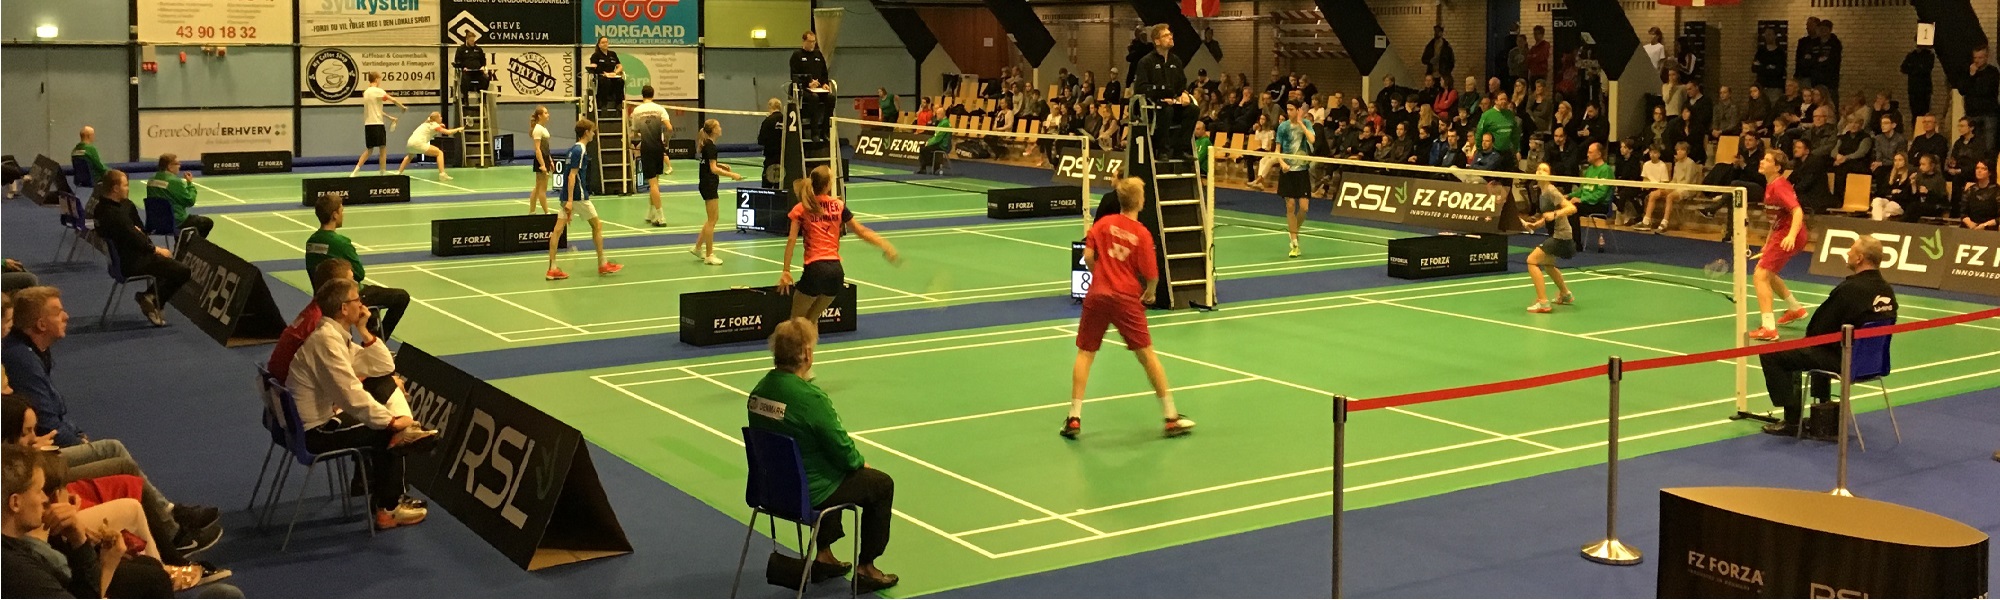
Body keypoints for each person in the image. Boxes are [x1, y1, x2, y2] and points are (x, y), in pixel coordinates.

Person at [745, 318, 899, 592]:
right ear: (806, 353)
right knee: (880, 484)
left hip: (770, 490)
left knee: (822, 466)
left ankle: (825, 556)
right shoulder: (810, 399)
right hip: (806, 494)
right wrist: (859, 463)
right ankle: (866, 568)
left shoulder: (758, 393)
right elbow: (841, 448)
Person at [289, 277, 439, 530]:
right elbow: (350, 396)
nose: (362, 305)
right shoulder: (327, 341)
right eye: (357, 300)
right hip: (315, 432)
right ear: (343, 308)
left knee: (383, 384)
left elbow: (383, 367)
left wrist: (365, 332)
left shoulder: (335, 336)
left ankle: (404, 442)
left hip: (317, 420)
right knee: (388, 434)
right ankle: (389, 509)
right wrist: (391, 422)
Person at [1064, 177, 1195, 440]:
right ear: (1140, 201)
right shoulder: (1141, 234)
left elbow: (1087, 257)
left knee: (1086, 353)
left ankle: (1074, 418)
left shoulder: (1102, 224)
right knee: (1147, 355)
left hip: (1098, 296)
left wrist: (1100, 275)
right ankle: (1171, 417)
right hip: (1126, 299)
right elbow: (1152, 275)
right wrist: (1150, 292)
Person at [1756, 235, 1898, 436]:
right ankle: (1822, 408)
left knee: (1774, 353)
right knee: (1819, 348)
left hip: (1845, 361)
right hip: (1873, 363)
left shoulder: (1850, 289)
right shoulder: (1887, 290)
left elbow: (1818, 329)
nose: (1847, 253)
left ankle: (1792, 422)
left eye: (1851, 250)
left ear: (1859, 258)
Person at [3, 444, 132, 599]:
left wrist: (79, 539)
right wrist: (108, 566)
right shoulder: (21, 572)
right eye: (39, 491)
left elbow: (86, 594)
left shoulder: (16, 551)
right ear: (15, 503)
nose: (45, 499)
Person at [778, 166, 898, 321]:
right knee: (812, 319)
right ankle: (810, 338)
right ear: (828, 185)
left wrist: (786, 270)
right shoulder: (839, 206)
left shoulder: (802, 208)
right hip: (836, 273)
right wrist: (885, 244)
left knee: (797, 321)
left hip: (815, 269)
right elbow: (861, 231)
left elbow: (792, 240)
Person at [91, 171, 190, 327]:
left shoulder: (104, 208)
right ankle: (152, 299)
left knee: (167, 265)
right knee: (183, 271)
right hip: (131, 262)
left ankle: (150, 298)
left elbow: (140, 231)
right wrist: (156, 249)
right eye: (125, 185)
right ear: (115, 188)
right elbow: (137, 238)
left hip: (121, 259)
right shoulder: (114, 215)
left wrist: (138, 233)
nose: (128, 188)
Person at [304, 197, 413, 338]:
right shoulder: (341, 243)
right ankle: (378, 341)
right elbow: (359, 274)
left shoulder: (311, 242)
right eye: (342, 210)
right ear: (335, 215)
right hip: (346, 295)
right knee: (401, 297)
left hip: (321, 296)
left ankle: (371, 329)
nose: (343, 214)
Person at [545, 119, 622, 280]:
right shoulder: (580, 150)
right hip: (578, 196)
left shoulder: (572, 149)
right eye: (592, 131)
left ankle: (552, 268)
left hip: (566, 195)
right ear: (586, 132)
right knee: (597, 225)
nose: (593, 134)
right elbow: (572, 176)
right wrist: (571, 201)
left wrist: (567, 201)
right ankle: (603, 264)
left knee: (557, 230)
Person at [5, 287, 84, 446]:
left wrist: (78, 433)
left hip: (57, 436)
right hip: (44, 446)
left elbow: (55, 412)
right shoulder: (22, 362)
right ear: (41, 325)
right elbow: (46, 425)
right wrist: (80, 444)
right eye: (58, 313)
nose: (66, 317)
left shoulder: (35, 351)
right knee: (113, 451)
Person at [1750, 151, 1811, 342]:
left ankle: (1769, 328)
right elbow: (1776, 220)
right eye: (1763, 158)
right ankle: (1795, 308)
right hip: (1781, 233)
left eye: (1767, 160)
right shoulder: (1771, 185)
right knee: (1769, 273)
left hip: (1789, 234)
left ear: (1777, 167)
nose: (1762, 161)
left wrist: (1791, 236)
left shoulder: (1779, 186)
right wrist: (1767, 244)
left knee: (1760, 275)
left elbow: (1797, 211)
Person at [1133, 24, 1196, 159]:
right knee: (1166, 109)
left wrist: (1184, 94)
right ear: (1157, 41)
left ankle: (1181, 149)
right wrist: (1160, 95)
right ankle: (1163, 150)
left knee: (1193, 110)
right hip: (1153, 105)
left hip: (1173, 103)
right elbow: (1141, 87)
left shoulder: (1176, 61)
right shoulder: (1146, 62)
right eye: (1166, 36)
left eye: (1170, 35)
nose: (1170, 37)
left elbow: (1181, 84)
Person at [1524, 163, 1578, 313]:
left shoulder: (1551, 190)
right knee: (1548, 264)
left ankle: (1543, 302)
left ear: (1550, 175)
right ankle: (1565, 294)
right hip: (1556, 233)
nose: (1540, 172)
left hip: (1562, 235)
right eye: (1538, 169)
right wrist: (1537, 224)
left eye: (1545, 170)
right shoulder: (1542, 192)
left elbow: (1572, 208)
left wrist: (1555, 214)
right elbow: (1548, 214)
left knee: (1531, 261)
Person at [692, 119, 744, 266]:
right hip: (709, 184)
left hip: (706, 184)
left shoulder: (707, 144)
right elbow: (713, 169)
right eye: (718, 126)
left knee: (712, 218)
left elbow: (710, 164)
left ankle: (697, 248)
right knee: (712, 220)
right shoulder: (711, 147)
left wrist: (721, 165)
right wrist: (732, 175)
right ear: (713, 130)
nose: (721, 128)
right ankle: (709, 255)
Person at [1276, 100, 1315, 259]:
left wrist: (1301, 123)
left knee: (1304, 208)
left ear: (1298, 110)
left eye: (1292, 109)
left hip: (1302, 171)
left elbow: (1312, 140)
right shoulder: (1283, 127)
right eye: (1288, 109)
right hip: (1287, 171)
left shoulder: (1306, 123)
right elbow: (1277, 150)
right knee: (1290, 206)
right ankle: (1294, 243)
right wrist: (1282, 163)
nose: (1289, 112)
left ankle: (1294, 231)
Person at [629, 86, 672, 228]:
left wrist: (639, 135)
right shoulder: (660, 109)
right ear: (653, 95)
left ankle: (661, 216)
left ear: (642, 95)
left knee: (652, 184)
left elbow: (635, 132)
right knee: (656, 182)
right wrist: (666, 140)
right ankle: (651, 212)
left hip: (647, 148)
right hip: (658, 148)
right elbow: (669, 128)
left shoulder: (637, 111)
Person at [143, 154, 214, 240]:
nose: (179, 166)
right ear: (170, 166)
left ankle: (181, 244)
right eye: (177, 163)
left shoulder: (151, 180)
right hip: (175, 221)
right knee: (206, 223)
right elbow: (190, 201)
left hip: (154, 221)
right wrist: (190, 184)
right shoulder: (174, 181)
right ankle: (190, 246)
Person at [350, 72, 408, 176]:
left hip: (368, 125)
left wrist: (390, 117)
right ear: (376, 79)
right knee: (383, 149)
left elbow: (377, 110)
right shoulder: (378, 91)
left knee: (369, 150)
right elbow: (392, 99)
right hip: (378, 124)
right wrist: (402, 107)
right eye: (379, 79)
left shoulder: (366, 92)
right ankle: (382, 173)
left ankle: (355, 171)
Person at [393, 112, 464, 180]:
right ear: (436, 119)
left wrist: (439, 125)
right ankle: (442, 174)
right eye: (440, 116)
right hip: (418, 143)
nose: (441, 118)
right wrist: (458, 129)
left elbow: (431, 124)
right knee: (439, 153)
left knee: (409, 157)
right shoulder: (434, 125)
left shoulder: (426, 123)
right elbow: (448, 132)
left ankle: (399, 172)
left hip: (410, 143)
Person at [790, 31, 833, 132]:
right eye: (810, 42)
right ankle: (814, 131)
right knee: (814, 98)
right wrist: (808, 83)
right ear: (804, 41)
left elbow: (824, 73)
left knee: (830, 98)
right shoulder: (797, 55)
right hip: (804, 89)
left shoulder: (818, 55)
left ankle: (825, 129)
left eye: (814, 42)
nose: (812, 44)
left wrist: (825, 83)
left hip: (819, 88)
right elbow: (794, 76)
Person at [586, 36, 623, 114]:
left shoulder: (613, 54)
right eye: (603, 42)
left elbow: (620, 66)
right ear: (599, 45)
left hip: (612, 75)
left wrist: (615, 73)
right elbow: (593, 66)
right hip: (601, 76)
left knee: (620, 81)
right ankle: (603, 104)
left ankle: (618, 104)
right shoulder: (596, 55)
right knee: (606, 81)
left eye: (606, 42)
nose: (605, 44)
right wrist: (594, 68)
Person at [528, 106, 553, 215]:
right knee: (542, 189)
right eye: (545, 113)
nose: (548, 115)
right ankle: (547, 213)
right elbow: (537, 149)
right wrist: (542, 165)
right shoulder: (538, 129)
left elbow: (546, 147)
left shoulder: (543, 128)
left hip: (545, 158)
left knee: (538, 187)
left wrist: (550, 160)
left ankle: (532, 211)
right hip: (540, 160)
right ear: (540, 116)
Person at [453, 31, 489, 102]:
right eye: (471, 41)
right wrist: (463, 67)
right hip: (467, 72)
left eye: (473, 40)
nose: (472, 42)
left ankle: (482, 97)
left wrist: (483, 66)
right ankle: (465, 99)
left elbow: (483, 60)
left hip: (478, 71)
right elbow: (457, 60)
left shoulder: (478, 49)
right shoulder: (461, 49)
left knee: (486, 79)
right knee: (464, 80)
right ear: (467, 40)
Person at [1752, 26, 1787, 100]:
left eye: (1770, 34)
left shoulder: (1780, 52)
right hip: (1761, 85)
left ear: (1775, 36)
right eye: (1766, 35)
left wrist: (1762, 67)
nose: (1767, 37)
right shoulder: (1761, 51)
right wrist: (1769, 67)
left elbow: (1779, 70)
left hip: (1775, 87)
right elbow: (1754, 68)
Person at [1965, 160, 2000, 230]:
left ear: (1989, 172)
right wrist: (1970, 223)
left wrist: (1985, 225)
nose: (1979, 171)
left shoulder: (1997, 191)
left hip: (1990, 228)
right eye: (1977, 168)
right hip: (1971, 227)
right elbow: (1963, 213)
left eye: (1983, 169)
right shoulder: (1970, 190)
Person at [1902, 45, 1936, 118]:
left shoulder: (1929, 55)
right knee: (1914, 112)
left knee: (1924, 111)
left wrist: (1912, 68)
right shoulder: (1911, 55)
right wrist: (1918, 67)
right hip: (1913, 88)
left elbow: (1927, 69)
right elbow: (1903, 68)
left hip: (1925, 88)